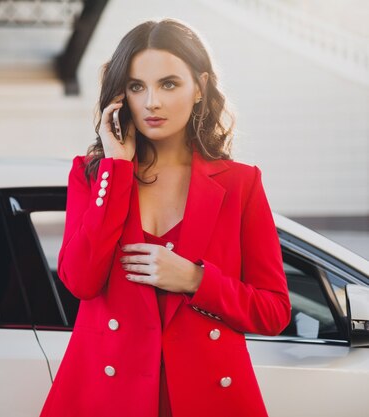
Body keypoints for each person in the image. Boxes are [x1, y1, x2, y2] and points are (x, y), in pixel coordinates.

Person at [39, 18, 291, 417]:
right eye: (137, 86)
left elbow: (274, 311)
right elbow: (81, 280)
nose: (151, 102)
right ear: (121, 95)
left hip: (206, 397)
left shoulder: (241, 183)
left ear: (200, 87)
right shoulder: (91, 175)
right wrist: (116, 169)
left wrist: (195, 280)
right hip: (108, 397)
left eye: (169, 84)